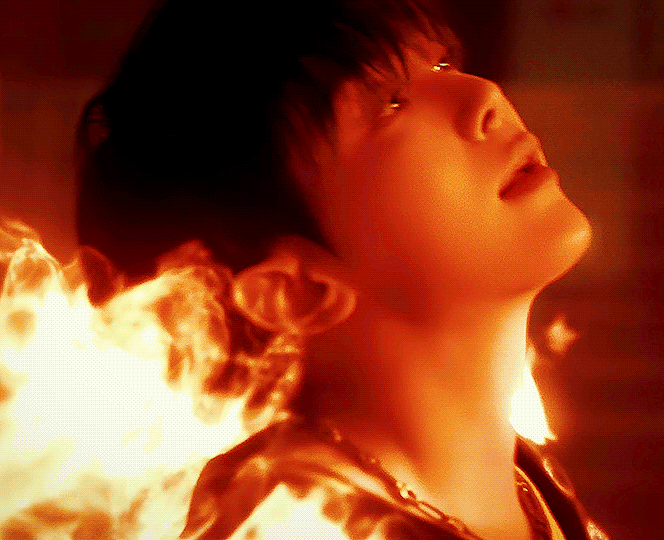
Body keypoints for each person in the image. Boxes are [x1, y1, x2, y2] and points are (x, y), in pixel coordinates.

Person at [76, 0, 608, 539]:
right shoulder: (287, 525)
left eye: (442, 64)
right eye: (392, 104)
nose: (483, 96)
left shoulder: (532, 484)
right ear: (296, 292)